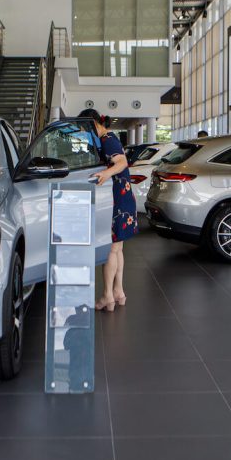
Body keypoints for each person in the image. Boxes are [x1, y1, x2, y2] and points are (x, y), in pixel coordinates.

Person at [78, 108, 137, 311]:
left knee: (110, 249)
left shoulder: (107, 139)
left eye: (85, 129)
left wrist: (105, 173)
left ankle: (107, 296)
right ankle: (118, 292)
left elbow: (122, 162)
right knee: (117, 249)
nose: (85, 134)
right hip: (124, 197)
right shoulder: (108, 138)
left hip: (117, 199)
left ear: (94, 124)